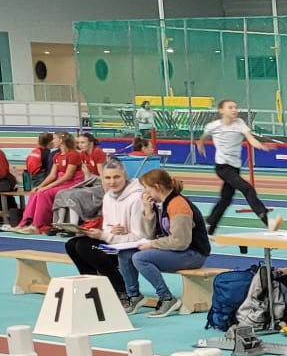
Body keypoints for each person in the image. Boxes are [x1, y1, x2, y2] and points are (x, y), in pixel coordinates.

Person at [63, 158, 146, 307]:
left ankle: (121, 289)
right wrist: (110, 232)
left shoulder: (136, 198)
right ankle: (92, 285)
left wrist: (105, 235)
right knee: (72, 244)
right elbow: (107, 227)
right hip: (115, 243)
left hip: (133, 247)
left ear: (125, 176)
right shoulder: (108, 197)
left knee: (85, 247)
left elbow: (138, 237)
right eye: (107, 178)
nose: (112, 182)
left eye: (116, 177)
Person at [129, 169, 211, 316]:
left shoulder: (178, 205)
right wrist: (148, 211)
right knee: (127, 254)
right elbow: (150, 235)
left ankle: (166, 298)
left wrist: (152, 245)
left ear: (156, 187)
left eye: (146, 188)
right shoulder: (159, 205)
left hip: (193, 253)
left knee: (140, 258)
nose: (144, 192)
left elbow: (180, 242)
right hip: (176, 250)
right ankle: (133, 296)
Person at [201, 99, 277, 232]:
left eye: (235, 107)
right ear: (221, 111)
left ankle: (209, 227)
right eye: (230, 107)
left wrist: (260, 145)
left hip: (235, 167)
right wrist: (200, 144)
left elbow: (250, 138)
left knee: (225, 199)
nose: (234, 110)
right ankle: (267, 220)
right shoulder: (214, 126)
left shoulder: (240, 123)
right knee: (248, 189)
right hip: (223, 167)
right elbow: (204, 136)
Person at [19, 132, 98, 233]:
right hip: (62, 181)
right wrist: (40, 186)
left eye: (54, 139)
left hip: (72, 182)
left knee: (44, 193)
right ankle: (25, 222)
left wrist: (46, 188)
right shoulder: (57, 155)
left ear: (61, 141)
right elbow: (52, 175)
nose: (52, 141)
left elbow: (68, 176)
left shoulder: (73, 154)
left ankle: (39, 225)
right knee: (35, 192)